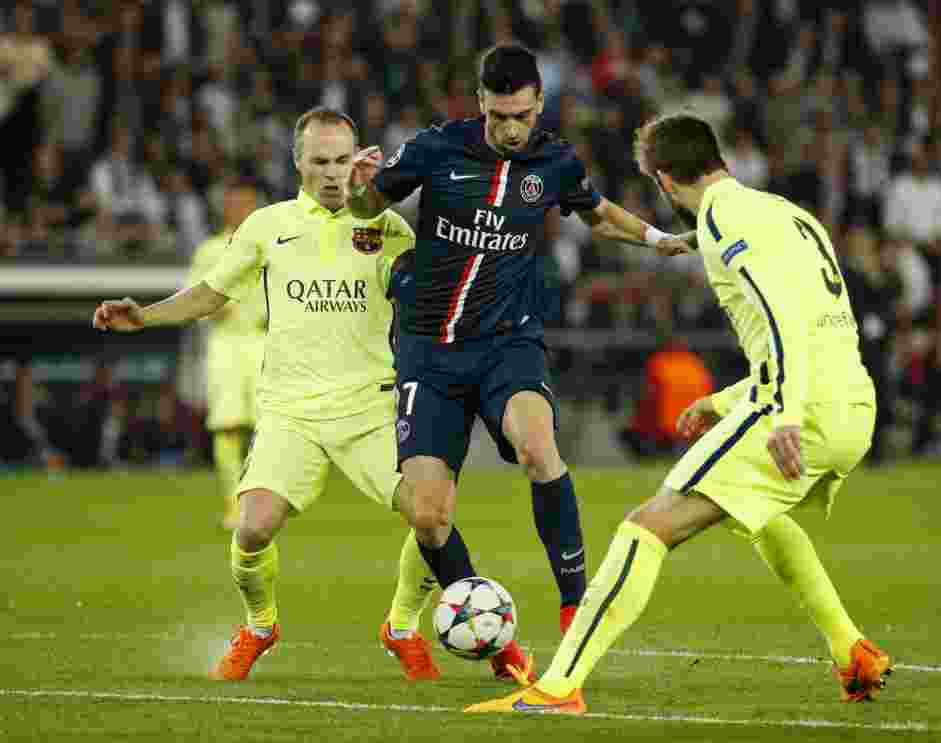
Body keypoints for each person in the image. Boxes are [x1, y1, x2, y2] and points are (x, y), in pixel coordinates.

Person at [465, 112, 890, 715]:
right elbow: (818, 328)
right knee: (761, 515)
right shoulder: (787, 213)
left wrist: (787, 412)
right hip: (853, 402)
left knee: (646, 526)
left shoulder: (722, 218)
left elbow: (780, 320)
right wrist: (723, 400)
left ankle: (558, 687)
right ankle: (852, 650)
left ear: (664, 180)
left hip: (800, 409)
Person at [93, 107, 523, 684]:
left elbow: (440, 293)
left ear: (359, 160)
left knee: (432, 516)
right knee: (252, 529)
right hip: (290, 411)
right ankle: (260, 624)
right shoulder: (267, 226)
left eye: (342, 160)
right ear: (298, 162)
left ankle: (401, 625)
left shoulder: (388, 228)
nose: (331, 172)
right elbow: (209, 294)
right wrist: (143, 316)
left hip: (372, 407)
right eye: (319, 161)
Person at [346, 45, 690, 645]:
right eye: (500, 115)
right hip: (429, 352)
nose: (511, 128)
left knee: (538, 447)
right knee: (428, 516)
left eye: (522, 116)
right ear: (481, 102)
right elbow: (368, 205)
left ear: (538, 106)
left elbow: (597, 213)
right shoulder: (435, 148)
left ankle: (575, 608)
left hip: (508, 343)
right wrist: (356, 189)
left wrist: (658, 238)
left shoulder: (554, 161)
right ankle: (484, 626)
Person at [186, 180, 267, 529]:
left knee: (269, 429)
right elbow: (193, 296)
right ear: (225, 208)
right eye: (235, 203)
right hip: (226, 342)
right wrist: (211, 308)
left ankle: (261, 502)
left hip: (266, 340)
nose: (241, 210)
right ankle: (234, 505)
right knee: (228, 427)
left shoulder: (272, 245)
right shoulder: (210, 250)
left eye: (248, 203)